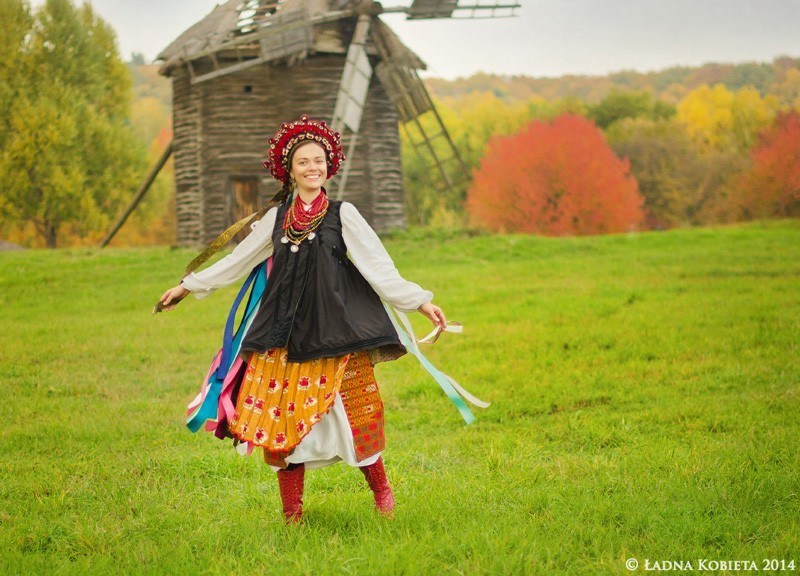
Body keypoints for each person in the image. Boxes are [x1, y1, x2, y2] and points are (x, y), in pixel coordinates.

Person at [159, 115, 447, 523]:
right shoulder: (275, 219)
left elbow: (380, 270)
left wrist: (421, 302)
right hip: (283, 335)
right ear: (290, 172)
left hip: (336, 332)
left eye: (319, 161)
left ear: (329, 166)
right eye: (303, 163)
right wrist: (187, 285)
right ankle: (292, 515)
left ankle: (382, 495)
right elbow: (238, 260)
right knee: (282, 420)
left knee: (356, 414)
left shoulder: (344, 215)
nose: (313, 168)